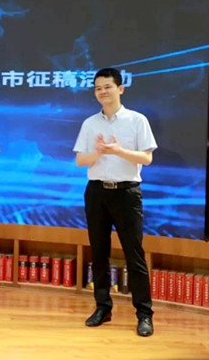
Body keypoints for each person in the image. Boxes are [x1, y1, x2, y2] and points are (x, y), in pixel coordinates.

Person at [73, 67, 156, 337]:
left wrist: (118, 151)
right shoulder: (90, 124)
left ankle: (144, 314)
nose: (102, 92)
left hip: (126, 193)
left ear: (120, 89)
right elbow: (80, 160)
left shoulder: (137, 120)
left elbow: (146, 158)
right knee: (99, 253)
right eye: (98, 88)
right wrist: (97, 152)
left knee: (134, 255)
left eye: (107, 87)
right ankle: (102, 307)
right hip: (97, 192)